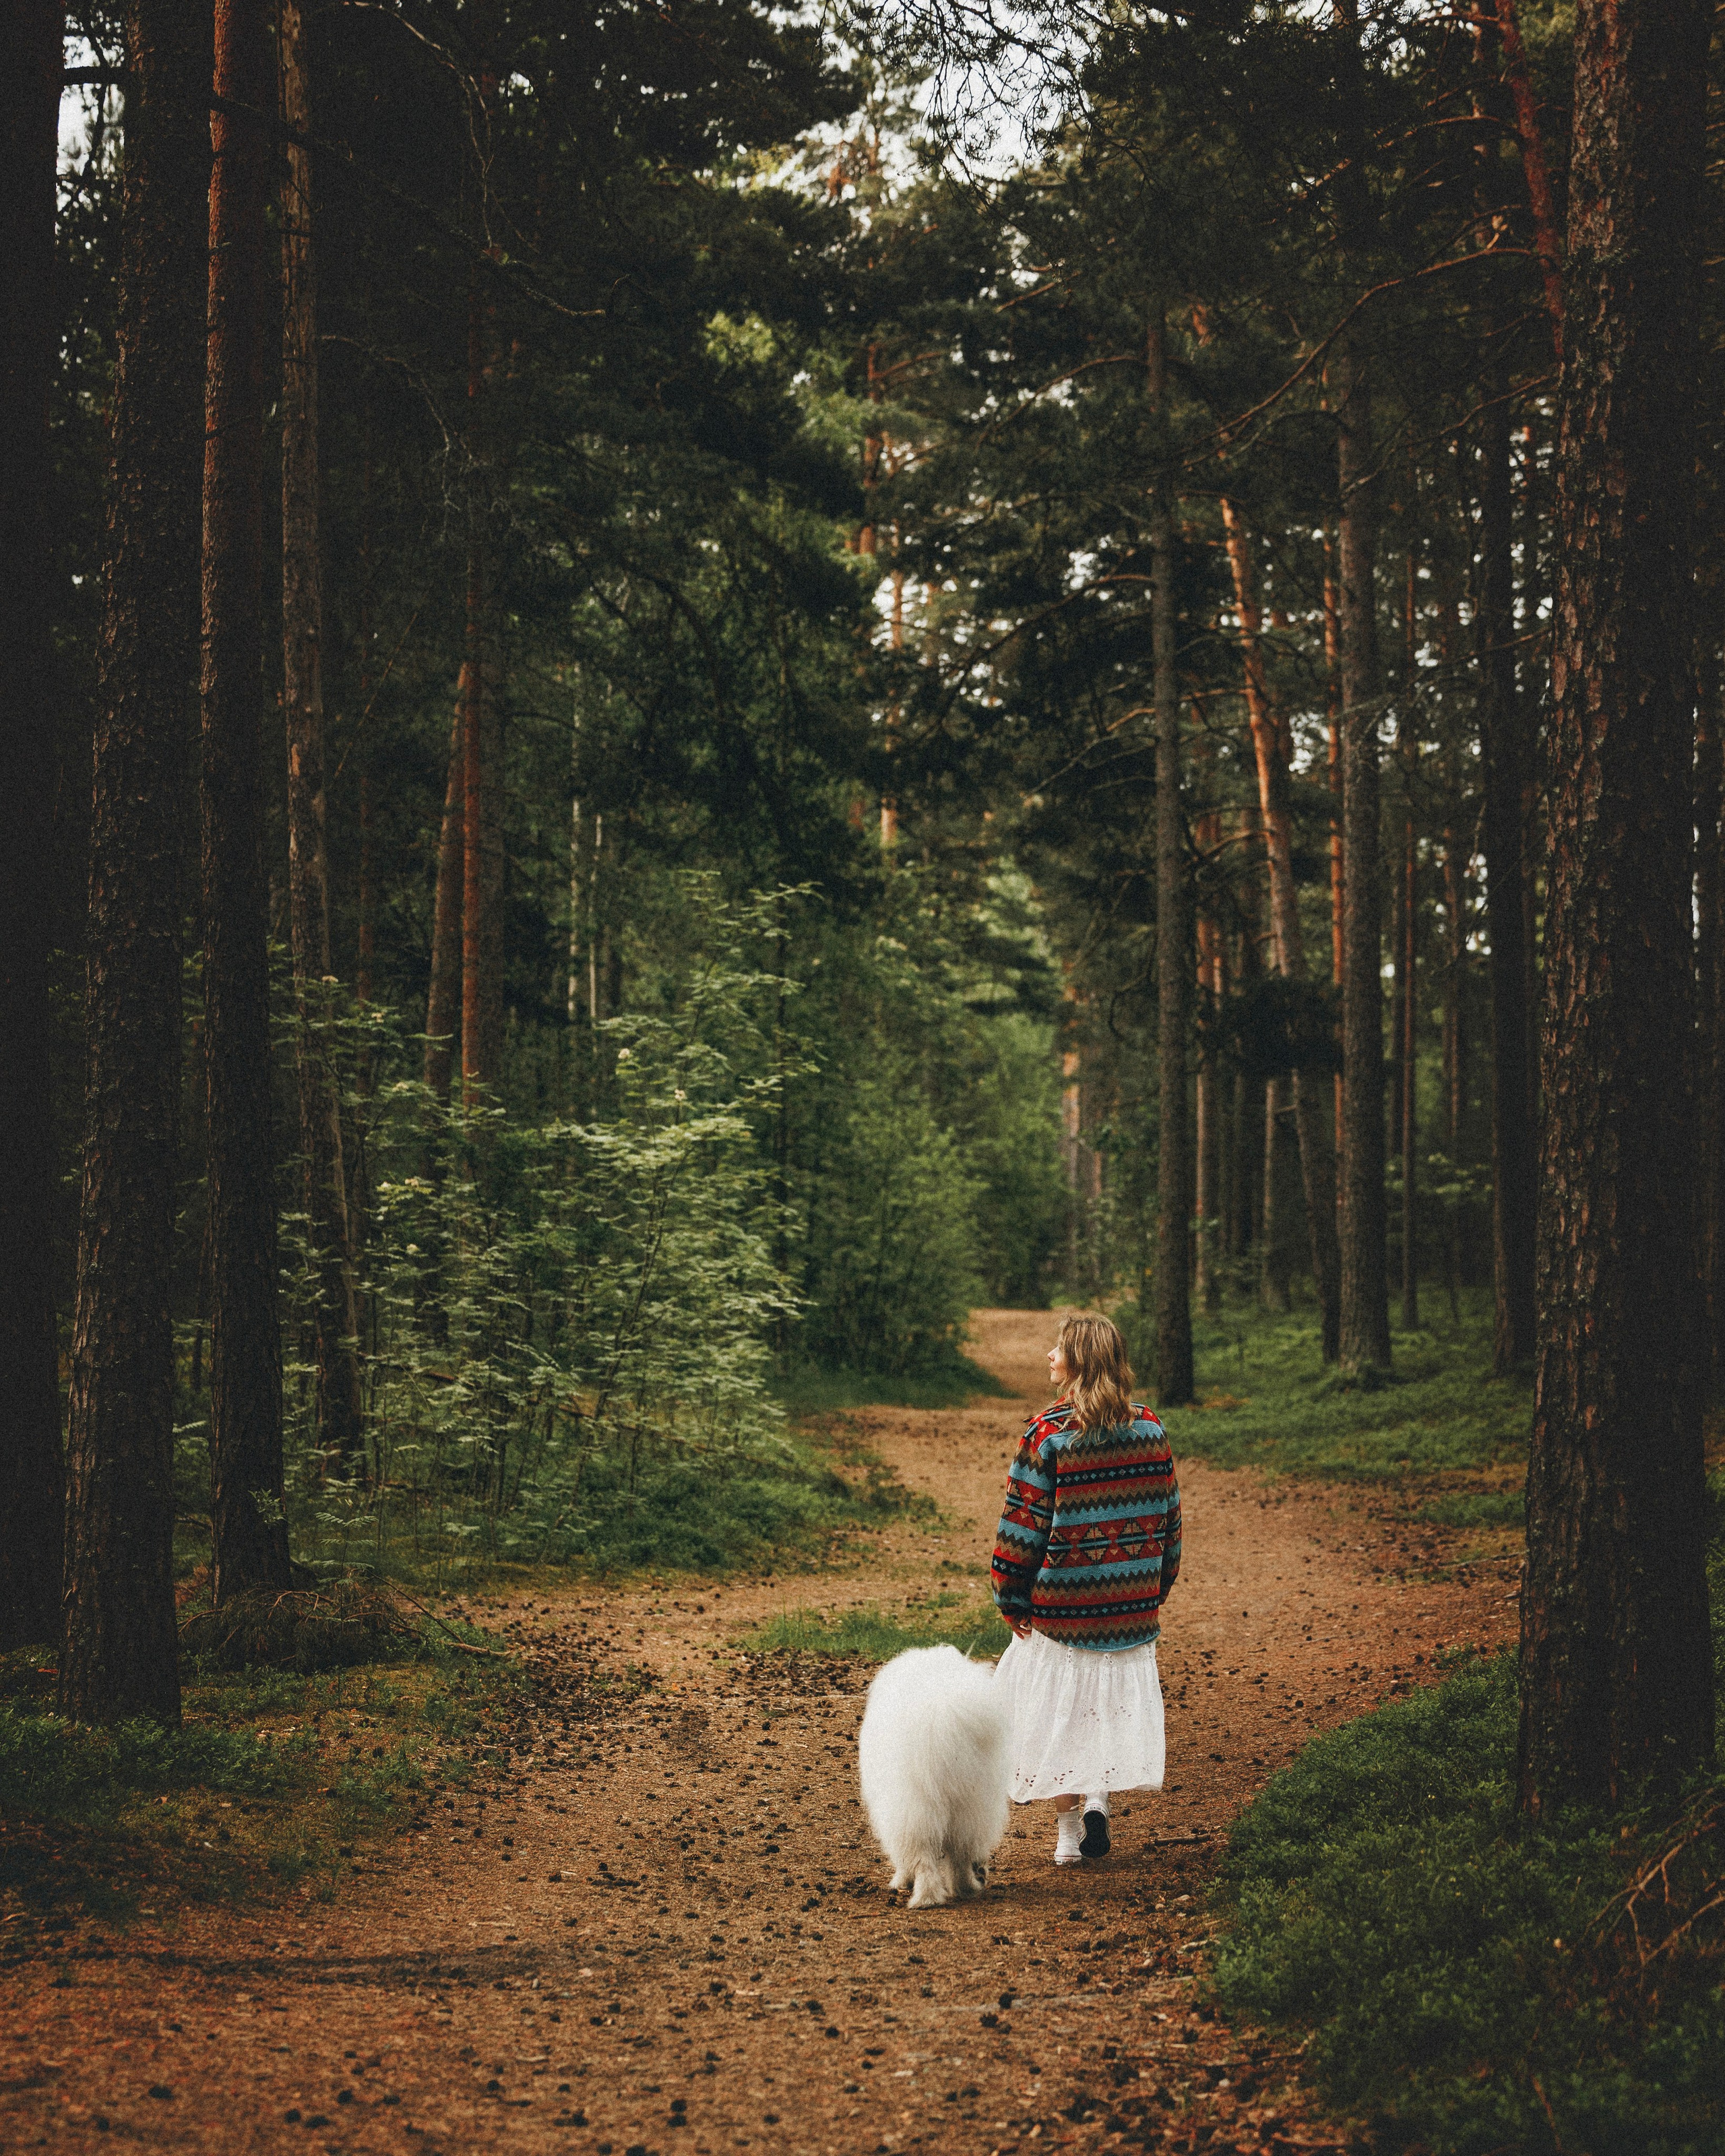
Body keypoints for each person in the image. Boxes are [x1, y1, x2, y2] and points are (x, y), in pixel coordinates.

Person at [989, 1312, 1181, 1866]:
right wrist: (1155, 1587)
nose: (1050, 1355)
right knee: (1107, 1708)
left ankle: (1069, 1835)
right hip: (1129, 1610)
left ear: (1081, 1361)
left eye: (1060, 1348)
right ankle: (1099, 1797)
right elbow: (1169, 1521)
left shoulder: (1048, 1435)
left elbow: (1021, 1528)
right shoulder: (1150, 1430)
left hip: (1061, 1613)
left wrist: (1010, 1596)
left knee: (1053, 1715)